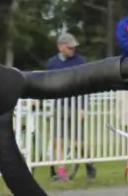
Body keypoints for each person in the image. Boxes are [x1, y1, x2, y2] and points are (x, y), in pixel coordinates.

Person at [45, 33, 97, 181]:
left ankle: (89, 164)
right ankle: (62, 174)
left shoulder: (81, 61)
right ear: (60, 47)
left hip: (75, 105)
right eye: (69, 47)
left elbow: (85, 85)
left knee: (77, 143)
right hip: (58, 105)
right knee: (58, 142)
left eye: (74, 47)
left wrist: (83, 107)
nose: (72, 50)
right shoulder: (52, 63)